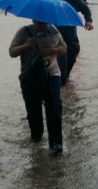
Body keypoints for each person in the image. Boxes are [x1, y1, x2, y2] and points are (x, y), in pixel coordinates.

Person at [9, 20, 67, 153]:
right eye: (40, 22)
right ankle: (36, 136)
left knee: (54, 108)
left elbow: (64, 48)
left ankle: (56, 143)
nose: (43, 25)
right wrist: (26, 46)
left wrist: (50, 50)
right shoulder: (23, 32)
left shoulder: (53, 30)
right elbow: (12, 52)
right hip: (29, 76)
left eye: (45, 22)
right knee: (33, 109)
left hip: (52, 74)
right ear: (33, 20)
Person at [50, 0, 94, 87]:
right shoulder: (49, 1)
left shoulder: (73, 0)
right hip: (55, 36)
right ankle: (62, 82)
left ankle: (65, 77)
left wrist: (88, 21)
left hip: (70, 34)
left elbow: (85, 9)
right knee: (61, 59)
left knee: (74, 51)